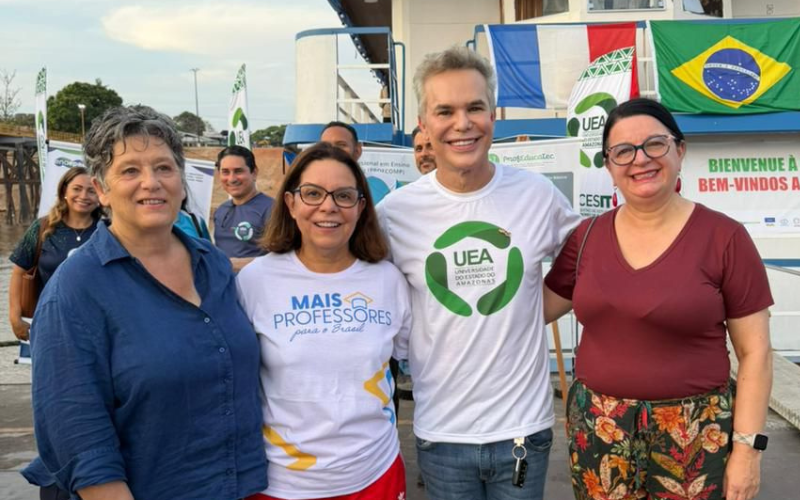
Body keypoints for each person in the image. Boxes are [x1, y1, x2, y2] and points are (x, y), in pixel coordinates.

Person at [25, 106, 268, 500]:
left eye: (164, 168)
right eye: (130, 170)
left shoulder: (215, 267)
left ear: (182, 181)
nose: (151, 182)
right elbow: (79, 440)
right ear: (101, 190)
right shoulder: (76, 289)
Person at [544, 98, 773, 500]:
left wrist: (747, 451)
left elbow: (756, 353)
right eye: (623, 151)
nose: (640, 160)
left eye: (655, 144)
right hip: (599, 432)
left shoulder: (725, 239)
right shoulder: (585, 239)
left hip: (696, 437)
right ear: (610, 166)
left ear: (679, 151)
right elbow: (531, 310)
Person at [377, 46, 579, 499]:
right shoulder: (394, 214)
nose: (462, 123)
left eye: (475, 108)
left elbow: (590, 260)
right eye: (444, 111)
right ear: (424, 125)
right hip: (441, 434)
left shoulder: (537, 195)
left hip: (524, 432)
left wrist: (534, 310)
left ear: (494, 115)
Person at [238, 143, 410, 500]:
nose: (328, 206)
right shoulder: (255, 282)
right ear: (290, 203)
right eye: (312, 193)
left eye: (344, 195)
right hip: (282, 484)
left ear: (361, 207)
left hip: (375, 477)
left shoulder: (389, 281)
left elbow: (421, 364)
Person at [8, 166, 103, 342]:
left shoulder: (109, 231)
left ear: (100, 195)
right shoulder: (43, 228)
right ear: (64, 191)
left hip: (97, 327)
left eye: (91, 191)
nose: (83, 196)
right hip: (50, 324)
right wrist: (15, 318)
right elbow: (19, 272)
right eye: (77, 189)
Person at [213, 145, 274, 271]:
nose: (232, 179)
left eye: (238, 171)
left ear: (254, 172)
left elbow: (284, 259)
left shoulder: (273, 210)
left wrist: (233, 264)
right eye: (225, 172)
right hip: (225, 288)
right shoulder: (221, 211)